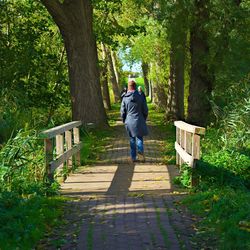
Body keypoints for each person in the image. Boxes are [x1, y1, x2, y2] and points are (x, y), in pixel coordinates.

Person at [120, 80, 148, 162]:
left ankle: (133, 157)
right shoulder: (140, 96)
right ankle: (141, 155)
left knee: (132, 139)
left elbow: (122, 111)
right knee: (139, 138)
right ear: (135, 87)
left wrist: (124, 120)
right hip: (139, 119)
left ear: (128, 87)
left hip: (129, 121)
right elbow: (145, 110)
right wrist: (144, 118)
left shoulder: (125, 98)